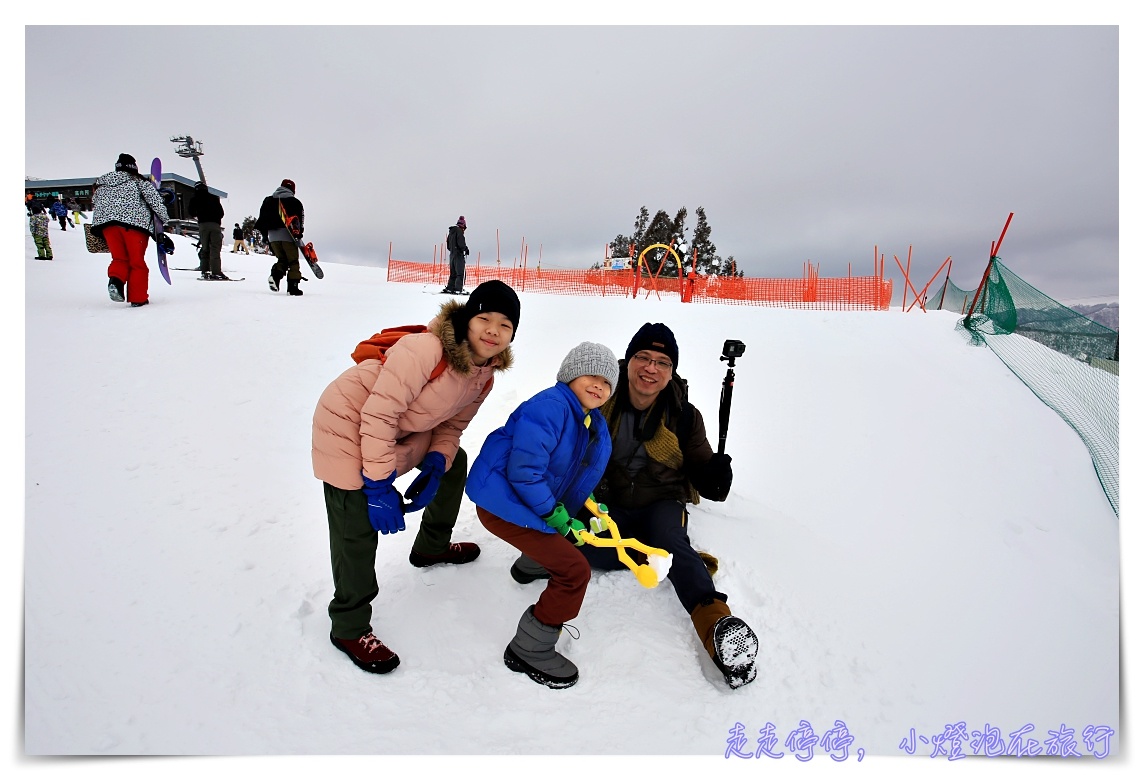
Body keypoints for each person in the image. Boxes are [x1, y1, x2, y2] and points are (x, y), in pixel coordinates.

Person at [512, 322, 759, 689]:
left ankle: (716, 624)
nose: (650, 368)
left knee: (671, 545)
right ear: (628, 361)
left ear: (671, 371)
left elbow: (702, 469)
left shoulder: (684, 416)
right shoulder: (599, 401)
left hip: (660, 500)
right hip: (603, 504)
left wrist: (714, 476)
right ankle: (555, 555)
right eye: (643, 357)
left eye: (661, 361)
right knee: (587, 548)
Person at [311, 279, 521, 674]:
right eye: (484, 318)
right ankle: (349, 625)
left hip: (400, 427)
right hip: (347, 421)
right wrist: (377, 486)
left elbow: (451, 427)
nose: (493, 330)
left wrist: (436, 463)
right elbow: (378, 414)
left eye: (505, 325)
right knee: (355, 518)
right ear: (465, 319)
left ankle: (431, 547)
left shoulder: (484, 376)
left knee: (455, 461)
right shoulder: (426, 349)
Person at [465, 342, 618, 689]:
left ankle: (530, 565)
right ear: (570, 375)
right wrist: (555, 515)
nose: (598, 386)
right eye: (590, 376)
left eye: (607, 382)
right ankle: (529, 648)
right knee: (574, 570)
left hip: (516, 500)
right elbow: (525, 472)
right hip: (503, 504)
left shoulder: (584, 417)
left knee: (555, 534)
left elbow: (563, 471)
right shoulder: (552, 408)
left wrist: (589, 502)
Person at [90, 153, 172, 308]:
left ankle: (115, 281)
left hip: (107, 227)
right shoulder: (139, 181)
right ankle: (138, 298)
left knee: (119, 259)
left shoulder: (101, 184)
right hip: (134, 226)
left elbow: (95, 202)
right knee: (137, 262)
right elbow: (155, 202)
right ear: (134, 167)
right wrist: (164, 221)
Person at [256, 179, 305, 296]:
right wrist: (299, 235)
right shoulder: (295, 202)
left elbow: (262, 218)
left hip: (273, 237)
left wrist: (265, 236)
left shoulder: (268, 201)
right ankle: (293, 288)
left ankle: (275, 276)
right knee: (293, 261)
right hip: (288, 236)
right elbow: (300, 220)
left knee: (282, 260)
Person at [188, 181, 227, 280]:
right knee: (215, 249)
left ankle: (205, 271)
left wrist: (199, 215)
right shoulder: (214, 198)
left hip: (203, 225)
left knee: (205, 248)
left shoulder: (195, 199)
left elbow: (191, 212)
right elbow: (221, 213)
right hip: (215, 225)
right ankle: (216, 272)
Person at [443, 215, 469, 294]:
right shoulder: (459, 232)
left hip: (452, 255)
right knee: (460, 273)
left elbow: (448, 246)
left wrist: (453, 250)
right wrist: (465, 249)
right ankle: (458, 289)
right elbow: (461, 244)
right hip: (458, 255)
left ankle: (450, 288)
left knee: (453, 273)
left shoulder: (451, 232)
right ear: (463, 225)